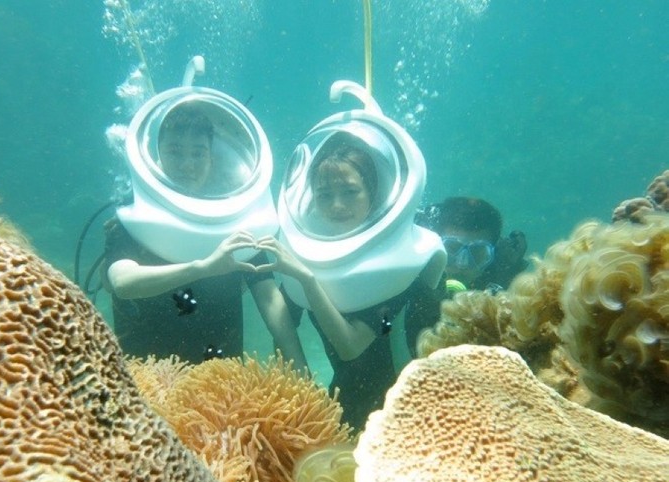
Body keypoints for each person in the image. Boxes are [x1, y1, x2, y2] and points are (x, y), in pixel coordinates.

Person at [103, 106, 307, 369]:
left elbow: (268, 297)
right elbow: (122, 281)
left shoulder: (237, 216)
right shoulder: (133, 212)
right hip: (143, 370)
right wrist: (203, 268)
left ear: (212, 158)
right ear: (157, 155)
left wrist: (300, 369)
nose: (187, 165)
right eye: (174, 151)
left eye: (198, 153)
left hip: (218, 374)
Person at [257, 141, 416, 430]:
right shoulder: (311, 251)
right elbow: (283, 319)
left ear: (373, 191)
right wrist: (301, 384)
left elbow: (350, 346)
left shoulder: (397, 259)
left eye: (350, 192)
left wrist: (307, 280)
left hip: (407, 406)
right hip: (345, 398)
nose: (337, 205)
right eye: (324, 195)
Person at [404, 196, 528, 351]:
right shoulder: (412, 273)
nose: (462, 264)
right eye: (452, 249)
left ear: (494, 254)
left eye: (477, 253)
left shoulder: (503, 282)